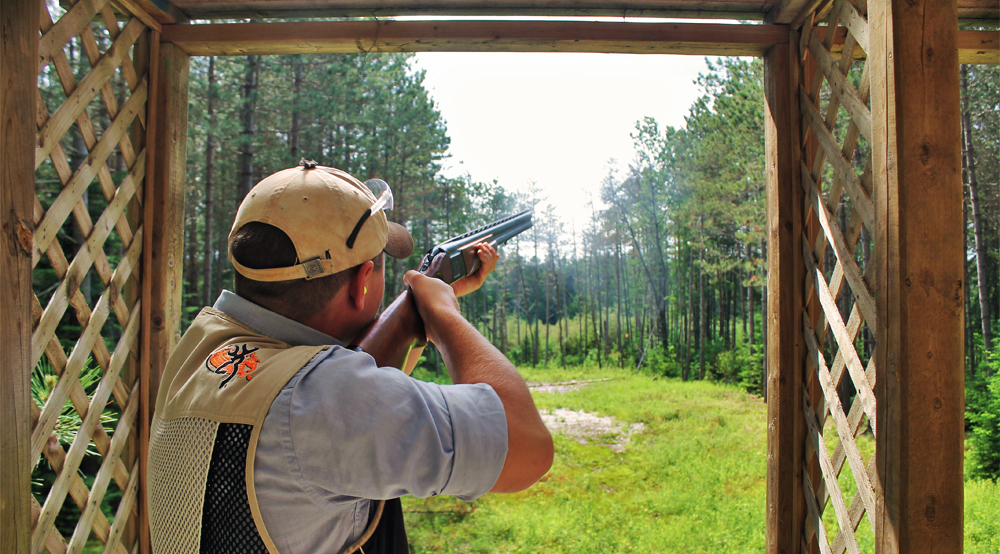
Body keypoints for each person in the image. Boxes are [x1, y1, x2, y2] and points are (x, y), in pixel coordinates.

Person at [146, 161, 554, 554]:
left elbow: (360, 382)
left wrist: (417, 320)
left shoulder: (196, 351)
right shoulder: (318, 398)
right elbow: (526, 446)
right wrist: (444, 314)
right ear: (361, 284)